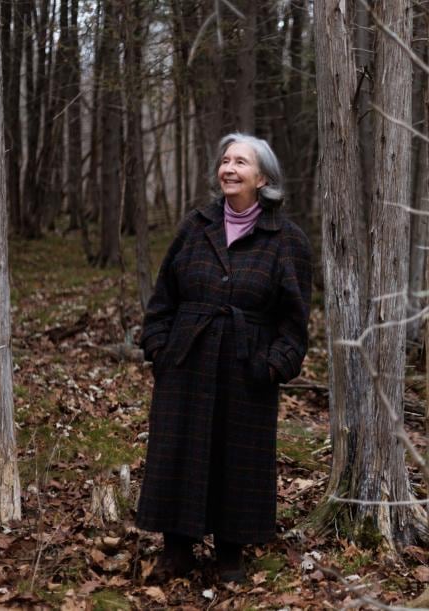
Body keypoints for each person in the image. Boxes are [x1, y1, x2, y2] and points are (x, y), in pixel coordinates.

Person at [137, 133, 312, 583]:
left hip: (245, 366)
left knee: (236, 457)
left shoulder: (287, 239)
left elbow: (294, 323)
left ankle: (230, 553)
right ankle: (176, 550)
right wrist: (159, 347)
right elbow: (163, 299)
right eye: (225, 161)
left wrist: (273, 364)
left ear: (263, 177)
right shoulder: (195, 226)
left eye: (241, 163)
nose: (229, 169)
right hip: (186, 360)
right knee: (180, 450)